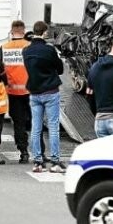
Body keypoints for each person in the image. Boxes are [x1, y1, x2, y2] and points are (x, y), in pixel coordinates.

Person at [23, 21, 64, 173]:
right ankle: (55, 161)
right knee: (53, 128)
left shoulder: (26, 51)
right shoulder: (49, 50)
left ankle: (37, 162)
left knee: (36, 128)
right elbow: (59, 69)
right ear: (45, 32)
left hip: (34, 93)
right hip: (51, 92)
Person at [0, 20, 31, 164]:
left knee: (18, 123)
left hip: (12, 91)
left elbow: (1, 70)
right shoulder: (29, 46)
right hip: (30, 90)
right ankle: (39, 152)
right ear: (24, 31)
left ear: (12, 32)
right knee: (35, 123)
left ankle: (23, 152)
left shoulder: (4, 47)